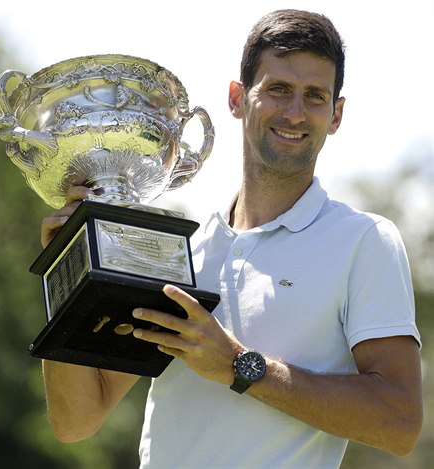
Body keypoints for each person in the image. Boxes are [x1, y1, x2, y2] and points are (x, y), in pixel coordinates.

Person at [40, 9, 423, 468]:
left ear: (336, 114)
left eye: (315, 96)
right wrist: (67, 264)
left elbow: (400, 424)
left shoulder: (366, 241)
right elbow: (76, 421)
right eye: (278, 89)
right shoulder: (182, 248)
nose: (295, 112)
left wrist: (240, 366)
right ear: (237, 98)